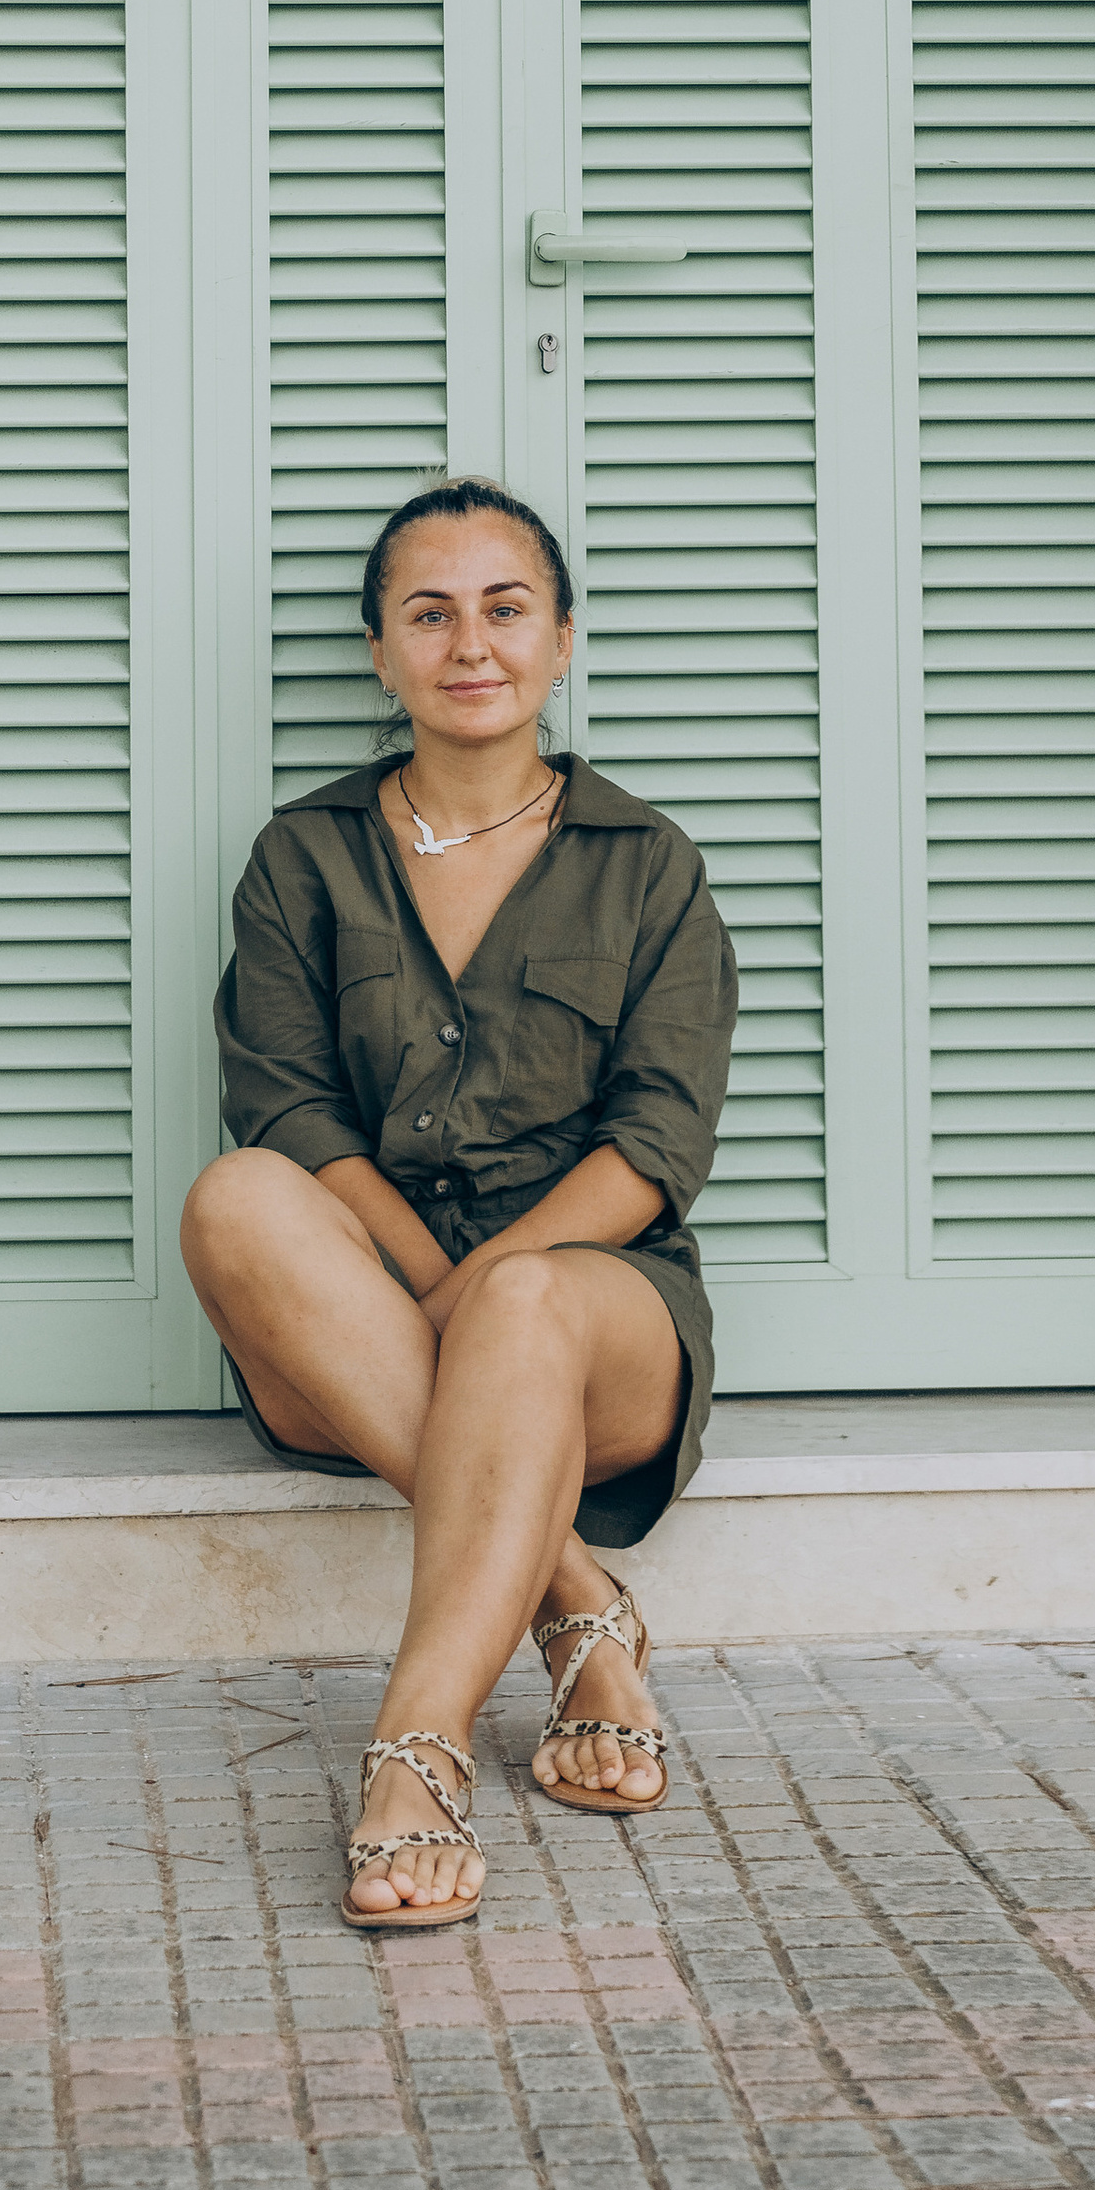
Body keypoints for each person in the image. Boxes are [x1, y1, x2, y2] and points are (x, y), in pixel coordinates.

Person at [181, 477, 736, 1932]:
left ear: (560, 641)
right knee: (238, 1197)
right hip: (366, 1327)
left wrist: (497, 1291)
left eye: (506, 609)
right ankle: (578, 1606)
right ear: (380, 652)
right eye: (429, 615)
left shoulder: (649, 867)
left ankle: (414, 1752)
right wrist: (445, 1298)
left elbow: (659, 1141)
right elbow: (287, 1108)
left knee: (533, 1294)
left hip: (599, 1323)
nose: (469, 644)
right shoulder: (302, 860)